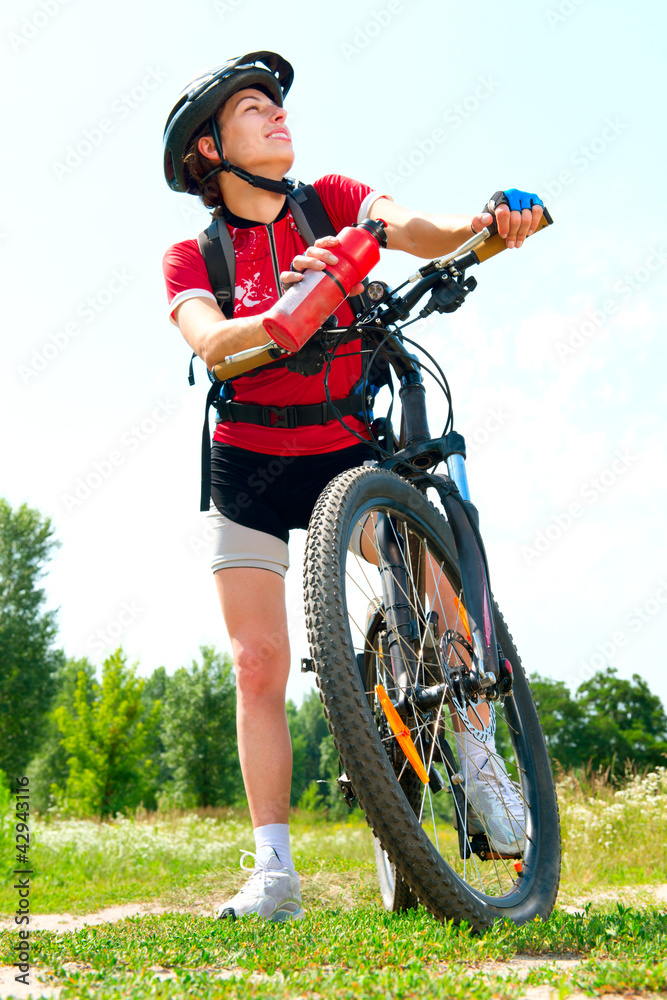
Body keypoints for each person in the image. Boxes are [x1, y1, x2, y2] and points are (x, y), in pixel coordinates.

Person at [162, 51, 543, 923]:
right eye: (253, 109)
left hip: (342, 449)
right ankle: (274, 874)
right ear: (207, 154)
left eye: (277, 104)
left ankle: (480, 759)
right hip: (250, 468)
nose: (277, 116)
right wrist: (290, 308)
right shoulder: (193, 252)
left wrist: (486, 221)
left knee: (432, 575)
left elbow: (414, 228)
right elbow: (210, 342)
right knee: (256, 665)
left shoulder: (328, 198)